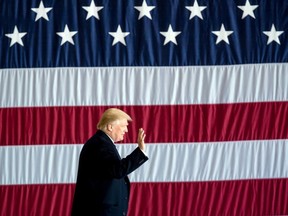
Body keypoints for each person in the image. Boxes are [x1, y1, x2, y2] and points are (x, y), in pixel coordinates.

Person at [71, 108, 148, 216]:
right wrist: (140, 152)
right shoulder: (100, 144)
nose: (126, 130)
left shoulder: (102, 143)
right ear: (110, 127)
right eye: (123, 126)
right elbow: (117, 170)